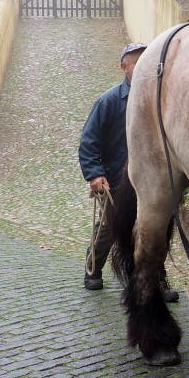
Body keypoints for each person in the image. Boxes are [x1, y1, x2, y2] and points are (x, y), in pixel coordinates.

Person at [78, 43, 179, 301]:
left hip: (151, 182)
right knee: (110, 229)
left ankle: (155, 282)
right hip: (117, 182)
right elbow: (89, 141)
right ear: (124, 67)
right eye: (137, 61)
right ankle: (93, 269)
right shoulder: (109, 101)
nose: (143, 65)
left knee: (153, 229)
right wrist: (94, 174)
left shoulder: (160, 98)